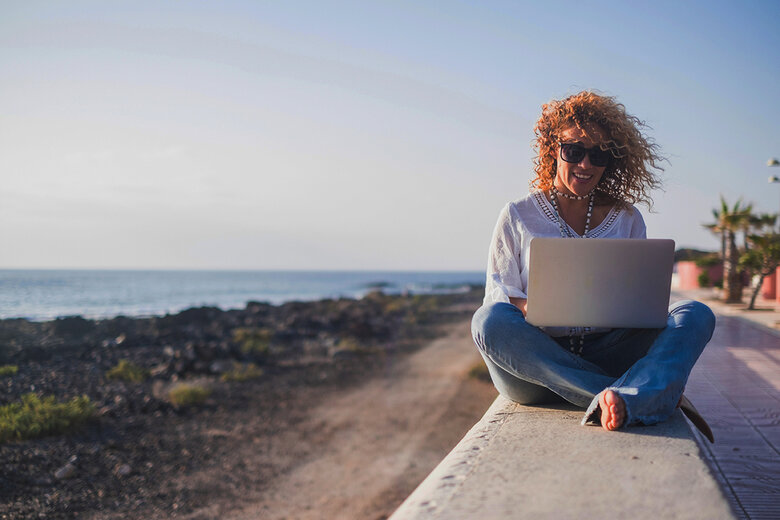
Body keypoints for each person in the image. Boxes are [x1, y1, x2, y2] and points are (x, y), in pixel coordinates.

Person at [471, 91, 716, 438]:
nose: (586, 164)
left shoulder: (627, 218)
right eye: (574, 151)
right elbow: (500, 295)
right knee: (488, 320)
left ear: (611, 161)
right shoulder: (517, 215)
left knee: (695, 313)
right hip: (537, 368)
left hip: (610, 351)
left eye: (599, 155)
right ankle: (639, 394)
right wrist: (545, 308)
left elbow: (640, 300)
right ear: (553, 149)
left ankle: (624, 395)